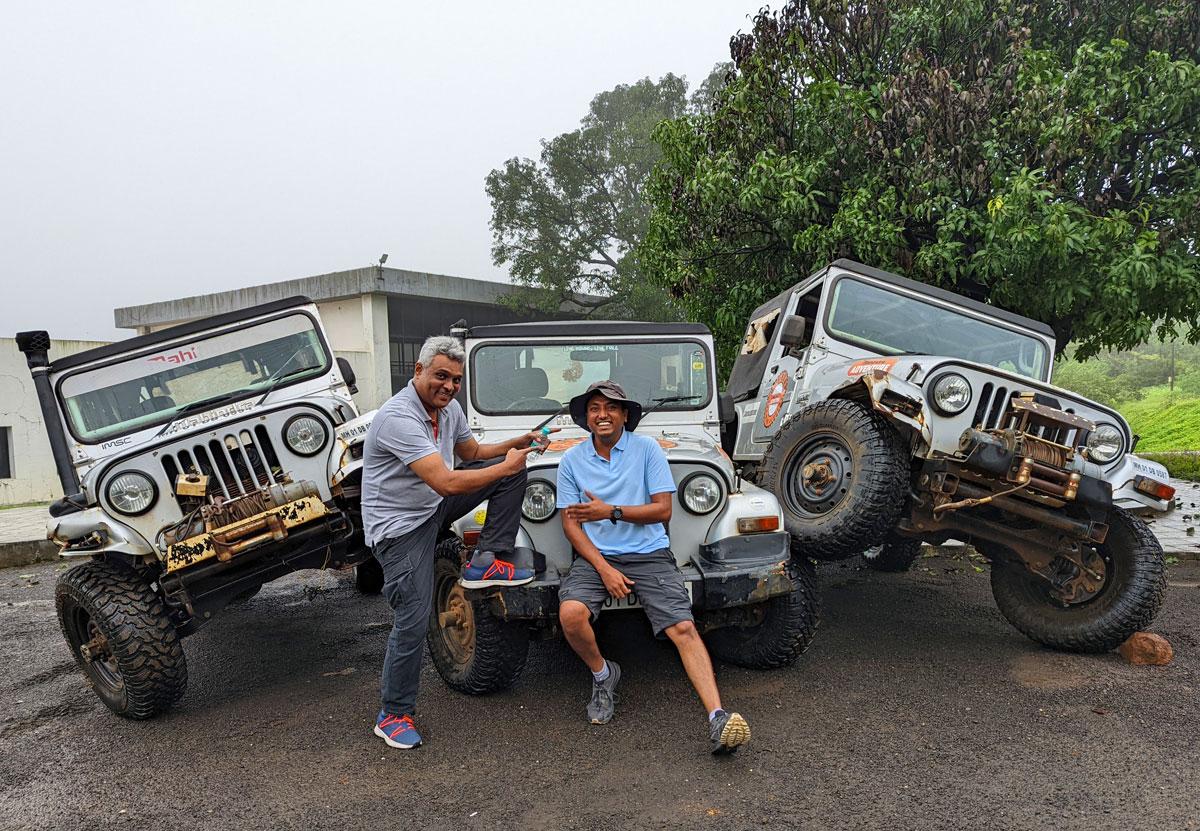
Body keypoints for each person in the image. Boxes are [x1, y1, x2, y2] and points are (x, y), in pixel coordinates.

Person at [361, 335, 553, 749]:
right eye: (440, 376)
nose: (448, 386)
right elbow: (446, 481)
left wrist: (516, 445)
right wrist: (503, 468)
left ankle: (487, 559)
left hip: (430, 509)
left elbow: (472, 451)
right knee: (412, 617)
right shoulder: (398, 417)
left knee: (512, 470)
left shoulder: (447, 412)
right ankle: (393, 714)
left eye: (455, 380)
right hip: (399, 530)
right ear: (418, 371)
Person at [555, 380, 751, 754]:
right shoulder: (572, 460)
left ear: (625, 415)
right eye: (595, 408)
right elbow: (570, 524)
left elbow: (663, 511)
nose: (603, 415)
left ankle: (718, 717)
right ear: (587, 417)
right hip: (597, 556)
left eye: (612, 407)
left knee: (683, 627)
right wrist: (604, 569)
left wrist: (609, 511)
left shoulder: (647, 450)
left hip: (649, 552)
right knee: (570, 614)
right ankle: (603, 674)